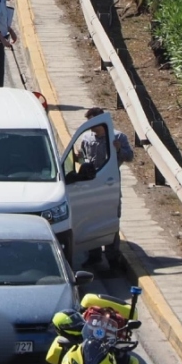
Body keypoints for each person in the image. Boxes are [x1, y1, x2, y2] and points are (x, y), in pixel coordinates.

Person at [76, 107, 134, 266]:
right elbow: (84, 159)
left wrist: (119, 149)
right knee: (90, 219)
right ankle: (94, 255)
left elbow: (129, 157)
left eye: (93, 122)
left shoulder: (118, 137)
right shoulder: (87, 138)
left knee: (110, 220)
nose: (91, 127)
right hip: (91, 185)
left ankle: (112, 258)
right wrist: (78, 158)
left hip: (109, 184)